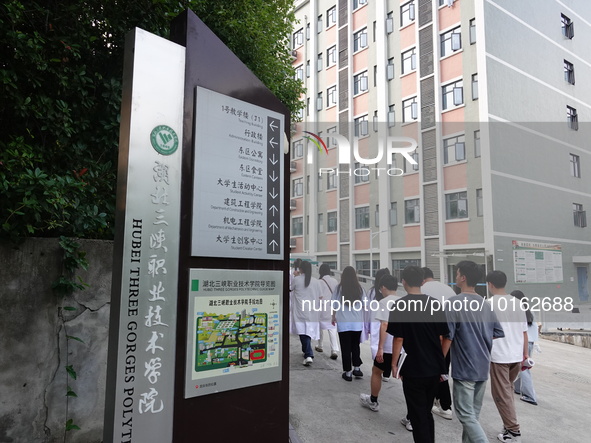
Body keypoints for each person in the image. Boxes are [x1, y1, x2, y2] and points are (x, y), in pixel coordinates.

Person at [441, 260, 504, 443]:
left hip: (465, 368)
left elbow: (448, 337)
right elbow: (497, 332)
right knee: (473, 416)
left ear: (463, 277)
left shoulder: (454, 303)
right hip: (482, 367)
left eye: (457, 272)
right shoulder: (485, 305)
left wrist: (439, 363)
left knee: (465, 415)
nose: (456, 276)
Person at [388, 266, 449, 443]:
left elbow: (398, 339)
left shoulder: (400, 305)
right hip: (434, 368)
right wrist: (440, 361)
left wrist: (394, 363)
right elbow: (443, 336)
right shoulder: (435, 304)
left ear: (403, 281)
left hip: (413, 368)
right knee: (426, 411)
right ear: (422, 282)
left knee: (417, 414)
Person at [486, 271, 528, 443]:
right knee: (508, 391)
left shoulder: (488, 304)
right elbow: (524, 332)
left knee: (501, 395)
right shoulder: (518, 302)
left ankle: (513, 431)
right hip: (516, 355)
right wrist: (525, 354)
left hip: (499, 355)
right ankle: (508, 426)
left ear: (490, 284)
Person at [360, 275, 400, 411]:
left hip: (388, 346)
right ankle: (411, 414)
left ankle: (373, 401)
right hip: (402, 348)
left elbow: (384, 325)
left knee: (376, 372)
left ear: (383, 287)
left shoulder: (384, 302)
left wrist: (380, 348)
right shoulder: (404, 301)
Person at [421, 267, 456, 420]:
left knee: (431, 371)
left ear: (421, 278)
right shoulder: (448, 289)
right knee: (443, 368)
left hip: (430, 336)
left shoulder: (421, 289)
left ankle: (444, 405)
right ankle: (441, 402)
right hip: (449, 335)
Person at [332, 266, 367, 381]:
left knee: (345, 347)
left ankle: (348, 373)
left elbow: (334, 304)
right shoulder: (360, 288)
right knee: (355, 346)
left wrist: (333, 316)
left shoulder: (339, 288)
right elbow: (365, 305)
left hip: (343, 323)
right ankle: (357, 368)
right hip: (356, 324)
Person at [290, 260, 320, 366]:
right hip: (312, 311)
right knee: (307, 332)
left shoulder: (297, 280)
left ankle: (308, 354)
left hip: (300, 310)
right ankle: (306, 352)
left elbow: (289, 289)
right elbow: (320, 296)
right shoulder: (316, 281)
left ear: (300, 269)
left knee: (303, 332)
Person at [510, 290, 538, 406]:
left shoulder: (517, 311)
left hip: (522, 342)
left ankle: (530, 396)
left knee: (524, 369)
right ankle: (517, 388)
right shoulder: (529, 310)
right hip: (531, 342)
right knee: (521, 365)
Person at [367, 268, 391, 379]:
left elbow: (367, 309)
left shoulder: (372, 292)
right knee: (387, 345)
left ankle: (378, 367)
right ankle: (387, 372)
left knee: (376, 345)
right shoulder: (391, 295)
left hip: (375, 322)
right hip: (387, 322)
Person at [316, 263, 340, 360]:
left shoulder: (319, 282)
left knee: (320, 327)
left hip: (322, 307)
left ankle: (320, 345)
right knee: (332, 328)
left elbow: (317, 296)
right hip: (332, 308)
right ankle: (334, 349)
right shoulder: (334, 281)